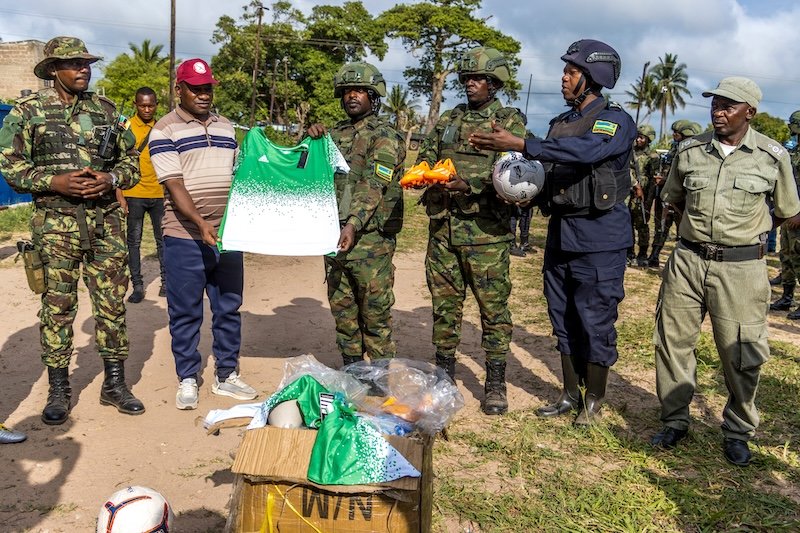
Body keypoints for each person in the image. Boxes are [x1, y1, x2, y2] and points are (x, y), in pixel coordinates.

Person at [470, 39, 635, 425]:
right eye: (565, 71)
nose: (563, 78)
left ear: (592, 78)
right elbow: (554, 172)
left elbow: (587, 152)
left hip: (601, 237)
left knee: (594, 317)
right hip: (562, 233)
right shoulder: (560, 123)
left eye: (571, 72)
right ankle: (568, 394)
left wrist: (522, 143)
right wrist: (526, 195)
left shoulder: (613, 120)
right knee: (561, 314)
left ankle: (593, 401)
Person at [650, 77, 800, 466]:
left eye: (728, 105)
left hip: (741, 269)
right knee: (672, 342)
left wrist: (746, 239)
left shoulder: (772, 156)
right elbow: (673, 199)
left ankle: (737, 431)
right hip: (687, 260)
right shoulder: (689, 150)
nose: (718, 111)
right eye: (715, 103)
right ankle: (675, 421)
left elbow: (786, 211)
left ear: (749, 112)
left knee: (741, 352)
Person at [0, 36, 145, 425]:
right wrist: (55, 182)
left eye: (86, 62)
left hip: (105, 225)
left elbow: (133, 161)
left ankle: (114, 384)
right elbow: (11, 168)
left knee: (112, 306)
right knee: (58, 308)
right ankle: (59, 390)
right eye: (73, 63)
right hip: (55, 226)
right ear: (51, 70)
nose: (83, 69)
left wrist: (111, 176)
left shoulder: (106, 110)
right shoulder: (27, 112)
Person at [417, 47, 526, 415]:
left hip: (486, 234)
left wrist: (470, 184)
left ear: (495, 83)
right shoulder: (450, 117)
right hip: (444, 231)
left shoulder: (507, 120)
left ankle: (495, 381)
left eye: (479, 79)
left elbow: (514, 172)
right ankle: (444, 376)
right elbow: (426, 155)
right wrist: (424, 175)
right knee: (445, 307)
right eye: (467, 79)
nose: (471, 84)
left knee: (493, 309)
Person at [149, 58, 257, 410]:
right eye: (195, 88)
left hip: (227, 235)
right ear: (178, 89)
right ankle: (188, 378)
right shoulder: (164, 130)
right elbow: (174, 184)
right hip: (183, 236)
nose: (203, 94)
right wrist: (199, 222)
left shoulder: (226, 128)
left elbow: (242, 174)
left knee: (228, 307)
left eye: (207, 87)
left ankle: (226, 375)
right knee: (185, 312)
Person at [306, 62, 405, 366]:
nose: (352, 96)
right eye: (348, 90)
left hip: (369, 240)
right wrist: (310, 140)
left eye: (360, 90)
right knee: (343, 312)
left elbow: (374, 183)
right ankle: (353, 375)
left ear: (373, 95)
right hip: (332, 236)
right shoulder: (332, 135)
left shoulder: (385, 136)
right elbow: (306, 173)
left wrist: (353, 223)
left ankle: (379, 383)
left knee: (374, 315)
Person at [116, 87, 166, 303]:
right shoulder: (125, 127)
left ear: (156, 104)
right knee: (133, 242)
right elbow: (116, 161)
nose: (147, 109)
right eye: (143, 105)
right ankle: (137, 286)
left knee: (164, 241)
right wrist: (119, 193)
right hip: (133, 193)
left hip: (160, 194)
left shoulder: (164, 127)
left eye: (151, 105)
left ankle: (166, 283)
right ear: (136, 105)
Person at [648, 119, 703, 267]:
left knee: (686, 230)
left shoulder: (696, 153)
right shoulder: (673, 149)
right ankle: (654, 256)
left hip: (684, 199)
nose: (674, 135)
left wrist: (664, 180)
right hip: (666, 195)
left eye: (677, 133)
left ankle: (685, 264)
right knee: (661, 226)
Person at [769, 110, 800, 317]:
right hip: (789, 212)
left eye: (793, 125)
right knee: (786, 255)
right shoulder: (794, 150)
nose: (791, 129)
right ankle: (787, 298)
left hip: (798, 215)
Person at [628, 124, 660, 267]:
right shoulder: (630, 152)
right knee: (627, 224)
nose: (638, 140)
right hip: (628, 193)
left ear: (648, 139)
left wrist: (648, 200)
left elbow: (654, 181)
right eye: (638, 137)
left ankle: (642, 254)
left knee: (642, 225)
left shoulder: (653, 156)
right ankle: (629, 252)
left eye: (642, 137)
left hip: (643, 195)